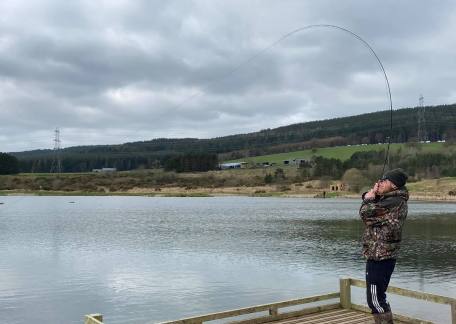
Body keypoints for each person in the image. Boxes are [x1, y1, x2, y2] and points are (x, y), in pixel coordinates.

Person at [359, 168, 409, 324]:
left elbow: (365, 213)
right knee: (377, 297)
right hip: (380, 254)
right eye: (380, 180)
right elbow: (369, 215)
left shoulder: (394, 202)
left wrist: (368, 199)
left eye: (384, 181)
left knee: (375, 300)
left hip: (381, 256)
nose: (379, 183)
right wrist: (372, 195)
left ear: (394, 185)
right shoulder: (390, 200)